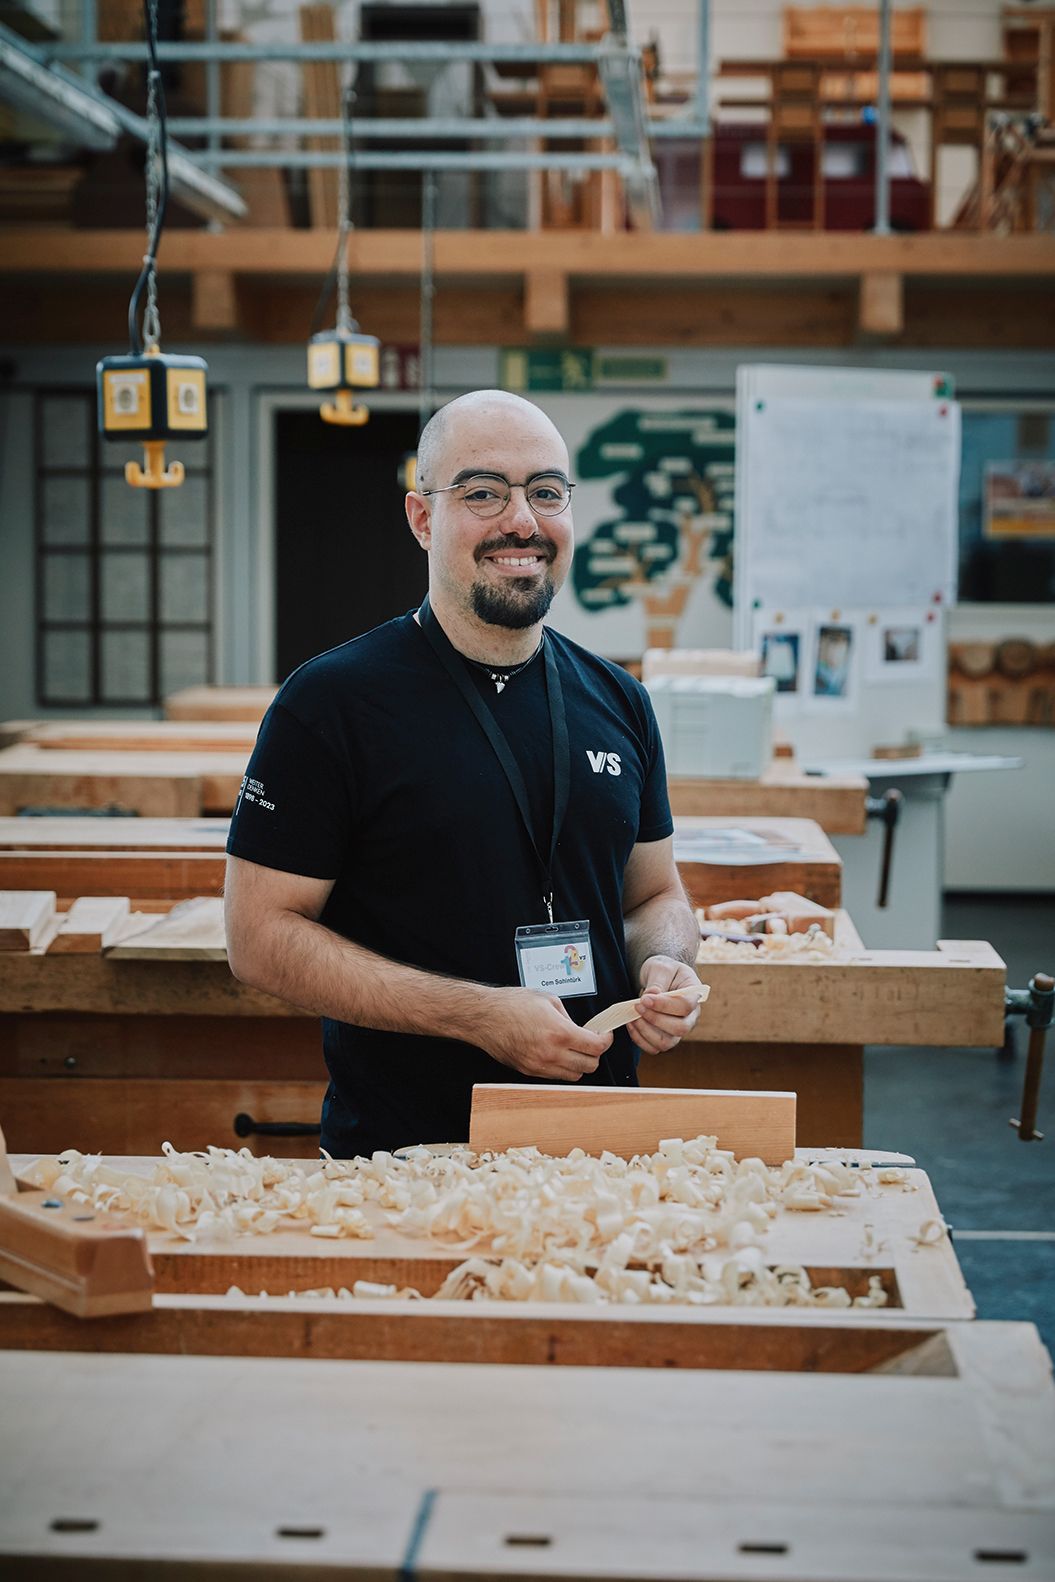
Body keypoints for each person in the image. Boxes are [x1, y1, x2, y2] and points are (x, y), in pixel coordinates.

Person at [224, 389, 703, 1157]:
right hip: (402, 1158)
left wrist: (664, 962)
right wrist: (479, 1015)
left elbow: (652, 894)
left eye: (545, 492)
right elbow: (257, 937)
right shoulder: (331, 702)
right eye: (483, 493)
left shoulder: (620, 700)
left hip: (602, 1153)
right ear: (422, 518)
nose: (522, 521)